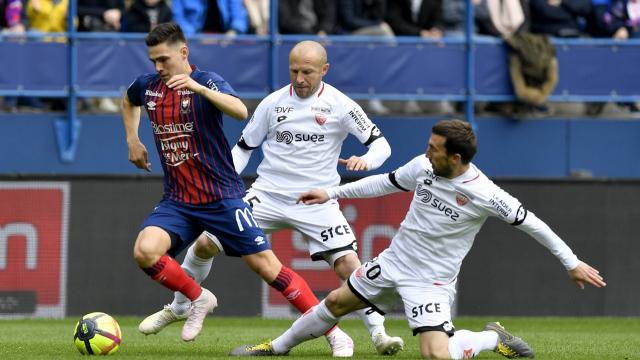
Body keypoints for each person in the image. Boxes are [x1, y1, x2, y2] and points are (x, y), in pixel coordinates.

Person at [229, 119, 607, 359]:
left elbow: (533, 224)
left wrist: (571, 262)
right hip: (394, 263)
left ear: (456, 158)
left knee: (435, 356)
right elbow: (384, 182)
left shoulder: (485, 193)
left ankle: (491, 339)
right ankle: (275, 348)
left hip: (431, 281)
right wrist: (333, 193)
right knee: (335, 302)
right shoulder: (424, 167)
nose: (427, 152)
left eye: (434, 148)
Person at [139, 40, 404, 357]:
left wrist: (367, 161)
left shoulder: (341, 105)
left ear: (324, 70)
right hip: (268, 195)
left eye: (307, 72)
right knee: (206, 243)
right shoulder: (272, 103)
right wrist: (225, 181)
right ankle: (181, 305)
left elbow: (381, 146)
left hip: (317, 201)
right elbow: (243, 148)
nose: (300, 78)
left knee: (350, 267)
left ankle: (379, 335)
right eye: (294, 71)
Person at [122, 23, 328, 344]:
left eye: (163, 59)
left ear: (183, 52)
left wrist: (198, 89)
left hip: (221, 197)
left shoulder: (206, 81)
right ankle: (198, 297)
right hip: (178, 199)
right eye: (154, 61)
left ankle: (334, 333)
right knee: (145, 251)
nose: (158, 67)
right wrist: (133, 140)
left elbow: (240, 110)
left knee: (266, 267)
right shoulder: (148, 86)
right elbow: (128, 99)